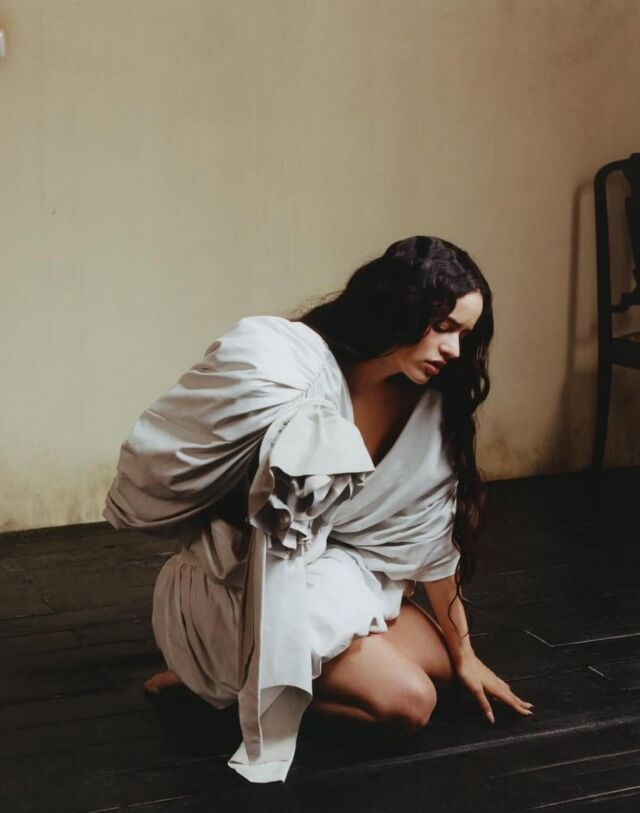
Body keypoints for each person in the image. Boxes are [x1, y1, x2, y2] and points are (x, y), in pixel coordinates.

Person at [103, 235, 533, 784]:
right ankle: (222, 684)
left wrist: (467, 654)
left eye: (464, 335)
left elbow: (429, 540)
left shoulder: (429, 406)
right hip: (243, 583)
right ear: (400, 307)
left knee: (445, 668)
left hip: (332, 572)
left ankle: (231, 678)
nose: (452, 350)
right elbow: (168, 462)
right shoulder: (287, 369)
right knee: (411, 703)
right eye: (443, 326)